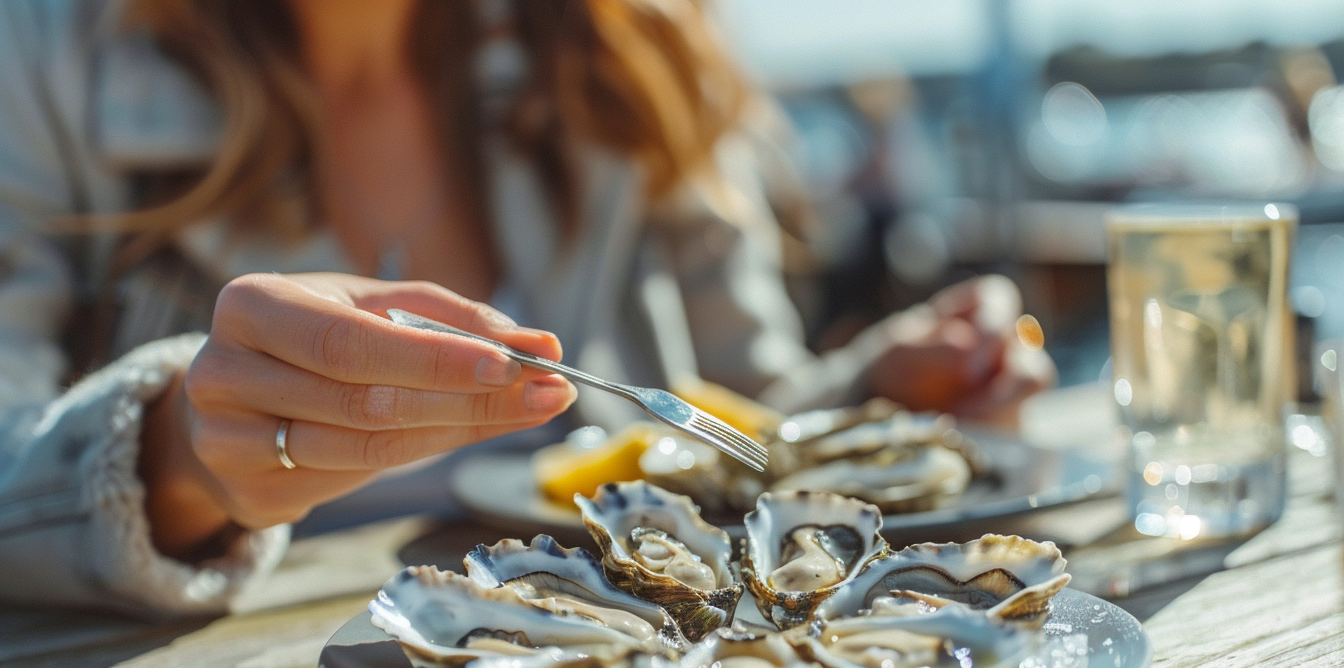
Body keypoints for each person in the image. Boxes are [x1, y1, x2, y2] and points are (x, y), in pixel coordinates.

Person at [0, 0, 1050, 618]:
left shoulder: (626, 45)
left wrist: (871, 398)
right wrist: (172, 456)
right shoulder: (43, 58)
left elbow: (741, 415)